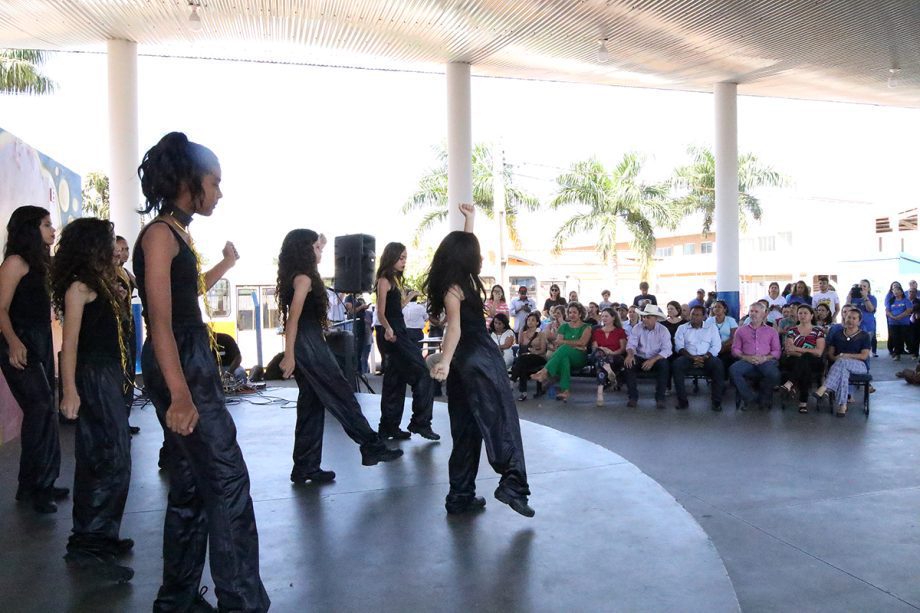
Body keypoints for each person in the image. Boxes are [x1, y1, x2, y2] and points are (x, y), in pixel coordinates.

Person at [133, 132, 269, 612]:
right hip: (180, 360)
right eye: (215, 182)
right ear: (190, 180)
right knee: (227, 480)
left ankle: (178, 599)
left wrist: (226, 264)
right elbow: (160, 321)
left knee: (192, 485)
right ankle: (241, 601)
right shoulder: (159, 235)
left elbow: (186, 296)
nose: (219, 192)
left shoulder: (175, 233)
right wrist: (180, 393)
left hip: (188, 355)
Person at [424, 203, 533, 517]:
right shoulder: (459, 287)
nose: (481, 257)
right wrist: (444, 360)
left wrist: (469, 221)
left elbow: (463, 246)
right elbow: (455, 328)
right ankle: (512, 485)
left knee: (465, 429)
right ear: (466, 258)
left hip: (463, 363)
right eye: (477, 253)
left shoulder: (456, 282)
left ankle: (460, 496)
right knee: (502, 420)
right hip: (480, 358)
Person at [277, 229, 403, 484]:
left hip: (308, 343)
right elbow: (293, 320)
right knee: (342, 395)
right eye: (316, 248)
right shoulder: (304, 279)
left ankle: (305, 466)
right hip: (309, 346)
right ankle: (371, 445)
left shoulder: (298, 276)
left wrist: (297, 349)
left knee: (311, 405)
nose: (320, 252)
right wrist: (289, 355)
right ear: (304, 251)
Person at [53, 218, 134, 582]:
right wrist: (69, 391)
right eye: (109, 240)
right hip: (94, 376)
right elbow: (69, 345)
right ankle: (89, 545)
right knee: (105, 457)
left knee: (112, 456)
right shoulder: (79, 286)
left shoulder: (101, 282)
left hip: (108, 374)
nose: (115, 247)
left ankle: (101, 536)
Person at [0, 206, 67, 514]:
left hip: (38, 340)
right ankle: (38, 486)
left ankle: (35, 483)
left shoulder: (40, 264)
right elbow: (1, 308)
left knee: (43, 410)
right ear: (30, 228)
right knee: (40, 408)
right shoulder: (15, 262)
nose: (52, 230)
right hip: (19, 341)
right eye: (46, 224)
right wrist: (14, 342)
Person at [374, 242, 439, 440]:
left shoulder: (393, 280)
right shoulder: (384, 280)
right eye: (401, 258)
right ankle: (420, 422)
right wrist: (388, 329)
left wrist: (409, 297)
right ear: (391, 257)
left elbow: (395, 307)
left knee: (395, 380)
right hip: (393, 333)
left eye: (405, 258)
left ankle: (389, 426)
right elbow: (381, 312)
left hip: (397, 330)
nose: (404, 262)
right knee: (422, 373)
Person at [531, 302, 592, 402]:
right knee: (564, 359)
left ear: (580, 314)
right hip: (566, 354)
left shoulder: (586, 327)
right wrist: (575, 345)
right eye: (570, 312)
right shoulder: (564, 327)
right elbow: (558, 343)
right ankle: (565, 391)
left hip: (580, 357)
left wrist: (567, 343)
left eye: (574, 312)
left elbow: (582, 342)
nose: (572, 315)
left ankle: (544, 372)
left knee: (565, 348)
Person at [814, 309, 870, 417]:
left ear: (859, 321)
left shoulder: (864, 336)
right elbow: (831, 354)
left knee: (842, 362)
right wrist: (837, 358)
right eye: (848, 317)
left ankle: (824, 387)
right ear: (845, 318)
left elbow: (864, 356)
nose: (850, 320)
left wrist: (846, 356)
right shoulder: (837, 334)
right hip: (839, 365)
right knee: (843, 372)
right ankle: (842, 405)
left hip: (859, 365)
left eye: (854, 318)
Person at [729, 302, 781, 410]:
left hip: (766, 360)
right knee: (733, 370)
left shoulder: (772, 331)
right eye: (751, 311)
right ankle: (749, 398)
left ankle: (763, 398)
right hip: (747, 360)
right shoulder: (741, 330)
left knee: (774, 374)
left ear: (764, 314)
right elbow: (735, 349)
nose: (753, 314)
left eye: (756, 311)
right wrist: (745, 357)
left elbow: (777, 351)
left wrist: (765, 358)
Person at [672, 305, 724, 411]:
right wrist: (692, 357)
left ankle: (716, 402)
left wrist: (705, 357)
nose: (694, 317)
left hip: (707, 357)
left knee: (718, 365)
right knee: (677, 365)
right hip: (688, 357)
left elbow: (716, 346)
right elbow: (679, 346)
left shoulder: (711, 328)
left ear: (703, 317)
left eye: (698, 315)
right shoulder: (682, 328)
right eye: (693, 314)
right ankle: (682, 401)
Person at [114, 235, 140, 435]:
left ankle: (125, 418)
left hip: (128, 325)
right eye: (120, 249)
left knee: (129, 372)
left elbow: (141, 285)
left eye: (126, 249)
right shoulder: (107, 273)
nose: (123, 253)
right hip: (116, 328)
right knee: (120, 372)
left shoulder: (125, 272)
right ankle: (117, 420)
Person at [779, 304, 826, 413]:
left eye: (805, 313)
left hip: (814, 362)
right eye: (800, 313)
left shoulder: (818, 331)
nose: (802, 315)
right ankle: (803, 402)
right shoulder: (792, 330)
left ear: (811, 315)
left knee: (805, 362)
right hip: (794, 360)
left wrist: (797, 349)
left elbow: (819, 352)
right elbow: (789, 350)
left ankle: (790, 383)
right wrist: (805, 353)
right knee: (805, 363)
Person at [623, 304, 672, 408]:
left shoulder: (663, 330)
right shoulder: (637, 327)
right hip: (640, 356)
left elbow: (667, 349)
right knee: (629, 364)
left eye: (648, 317)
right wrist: (630, 355)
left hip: (656, 358)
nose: (644, 319)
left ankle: (660, 398)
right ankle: (633, 397)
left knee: (664, 365)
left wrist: (653, 360)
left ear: (655, 319)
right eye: (643, 317)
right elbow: (631, 344)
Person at [591, 307, 628, 407]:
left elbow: (622, 349)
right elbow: (595, 347)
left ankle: (600, 393)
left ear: (613, 317)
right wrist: (603, 349)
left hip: (615, 356)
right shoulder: (597, 331)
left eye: (606, 316)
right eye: (602, 316)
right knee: (599, 354)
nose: (604, 318)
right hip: (599, 354)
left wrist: (612, 352)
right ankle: (608, 370)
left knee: (600, 365)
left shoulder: (620, 331)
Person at [510, 311, 547, 401]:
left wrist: (534, 352)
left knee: (521, 360)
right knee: (522, 363)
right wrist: (521, 330)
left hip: (538, 357)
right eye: (528, 320)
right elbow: (520, 346)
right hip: (525, 358)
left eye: (533, 320)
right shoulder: (523, 333)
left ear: (537, 322)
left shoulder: (541, 334)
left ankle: (512, 381)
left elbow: (543, 350)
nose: (530, 322)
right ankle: (523, 392)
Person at [847, 279, 878, 357]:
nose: (862, 288)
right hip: (854, 326)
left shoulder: (872, 298)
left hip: (867, 326)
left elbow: (870, 309)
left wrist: (865, 297)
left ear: (868, 288)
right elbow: (847, 310)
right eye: (860, 286)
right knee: (854, 348)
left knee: (865, 349)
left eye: (864, 286)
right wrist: (849, 299)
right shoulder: (853, 298)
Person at [706, 299, 738, 375]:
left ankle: (724, 377)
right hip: (712, 347)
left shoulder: (731, 320)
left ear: (724, 309)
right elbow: (706, 336)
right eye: (715, 307)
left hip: (727, 347)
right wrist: (715, 347)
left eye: (719, 307)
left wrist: (721, 346)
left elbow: (734, 338)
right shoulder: (709, 321)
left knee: (726, 359)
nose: (716, 308)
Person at [885, 281, 912, 361]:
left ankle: (910, 351)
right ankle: (896, 354)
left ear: (901, 292)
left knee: (902, 338)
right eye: (894, 291)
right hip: (893, 323)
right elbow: (887, 311)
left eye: (897, 290)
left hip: (904, 323)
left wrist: (899, 317)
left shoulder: (906, 300)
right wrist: (893, 317)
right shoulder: (891, 301)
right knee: (895, 338)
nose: (896, 292)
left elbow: (909, 310)